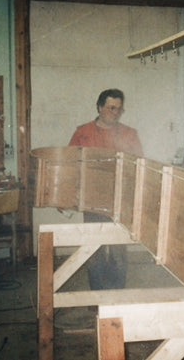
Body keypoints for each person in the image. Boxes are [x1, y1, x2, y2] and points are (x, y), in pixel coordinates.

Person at [69, 88, 143, 290]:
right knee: (94, 252)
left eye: (119, 109)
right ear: (99, 107)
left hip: (120, 201)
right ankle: (97, 301)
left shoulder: (129, 135)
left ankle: (116, 300)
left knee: (118, 252)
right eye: (111, 108)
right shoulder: (82, 133)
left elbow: (138, 166)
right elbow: (70, 165)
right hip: (91, 201)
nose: (115, 112)